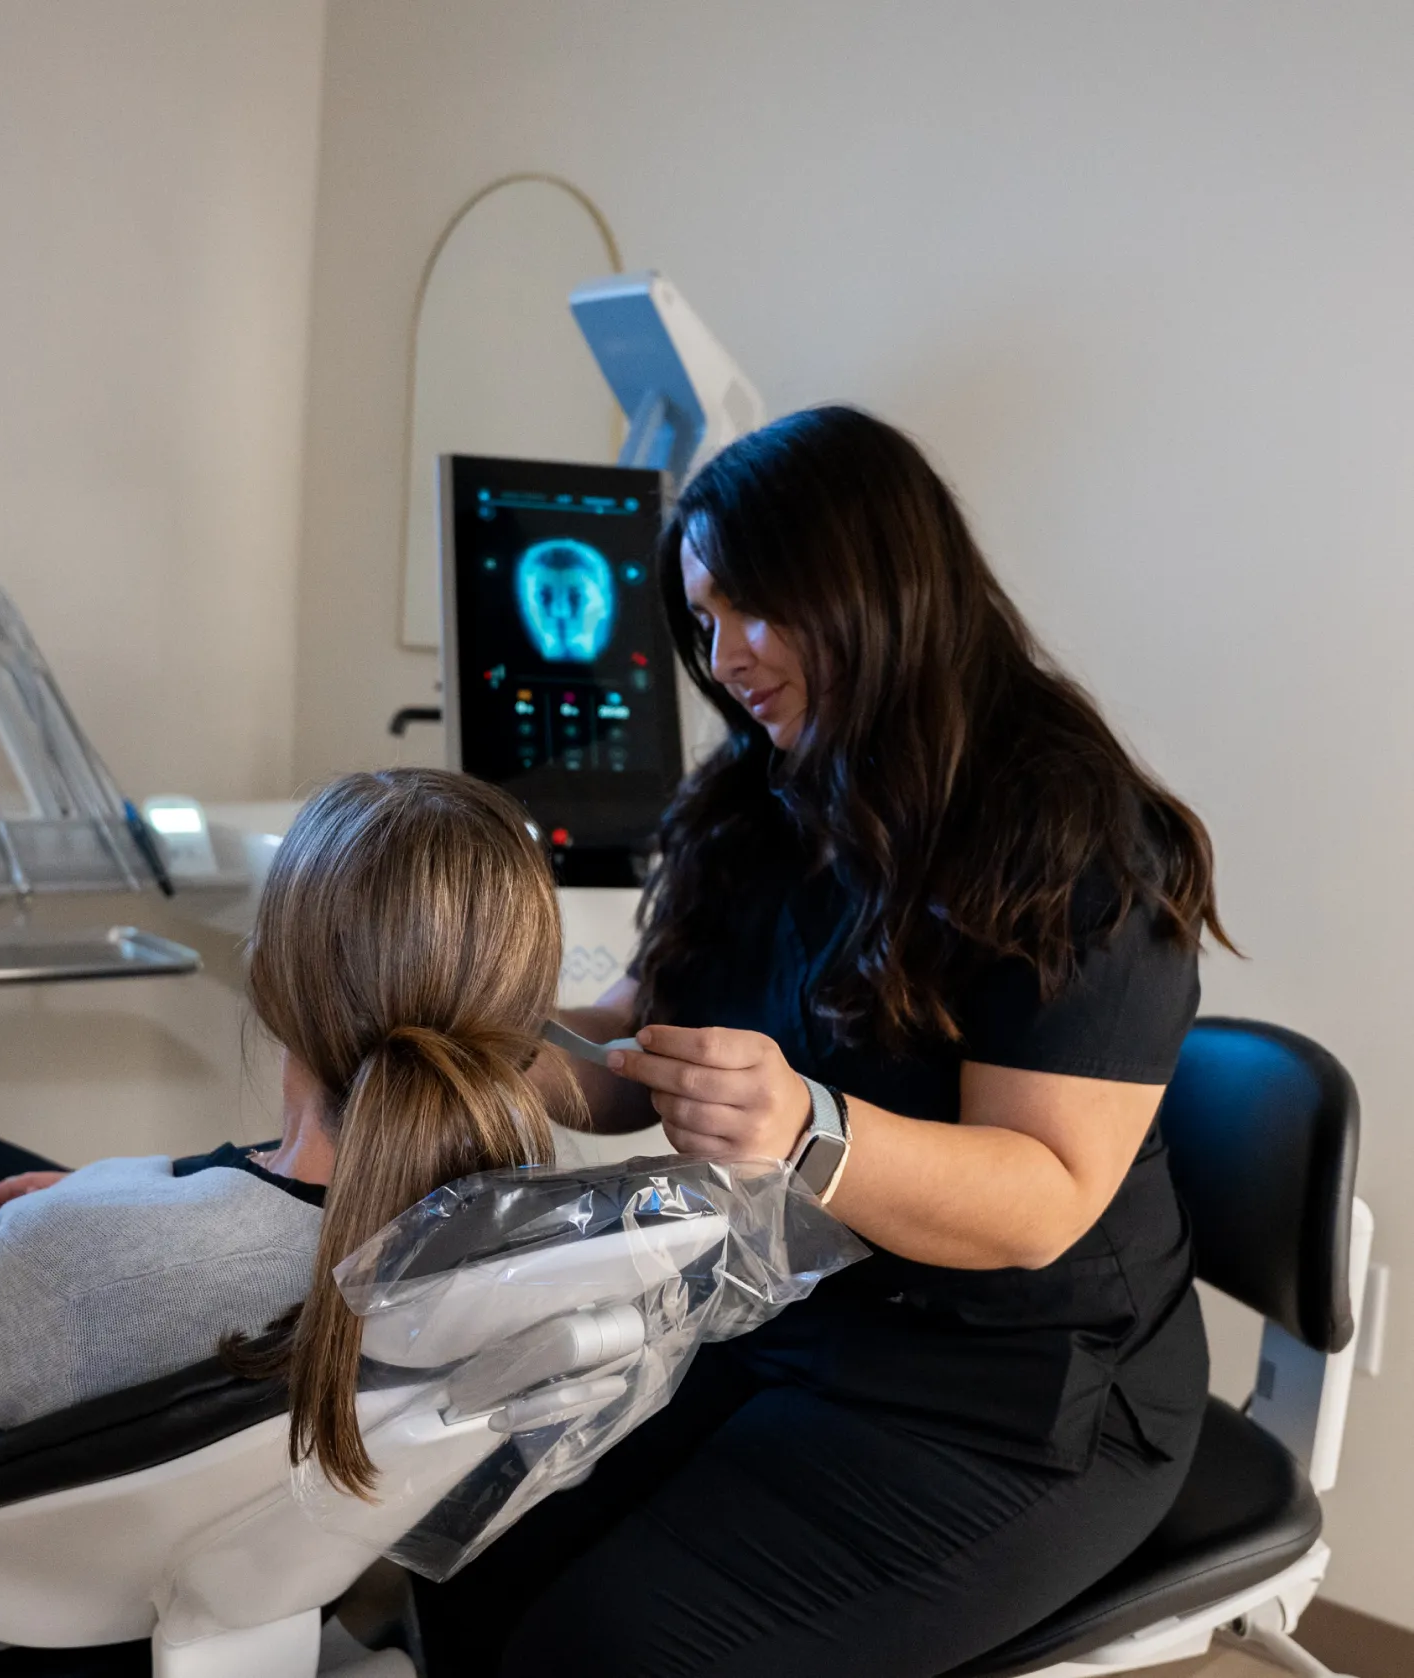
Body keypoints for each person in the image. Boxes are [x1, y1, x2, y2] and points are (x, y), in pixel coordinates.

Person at [414, 406, 1230, 1678]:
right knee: (468, 1560)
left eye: (753, 607)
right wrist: (461, 1036)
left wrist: (810, 1128)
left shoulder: (1072, 835)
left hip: (1027, 1397)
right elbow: (635, 1045)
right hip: (800, 1328)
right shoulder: (760, 797)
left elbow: (1042, 1198)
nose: (723, 652)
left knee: (610, 1650)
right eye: (702, 617)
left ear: (873, 582)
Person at [0, 766, 573, 1654]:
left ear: (273, 978)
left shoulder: (71, 1262)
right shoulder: (511, 1245)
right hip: (202, 1563)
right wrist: (97, 1207)